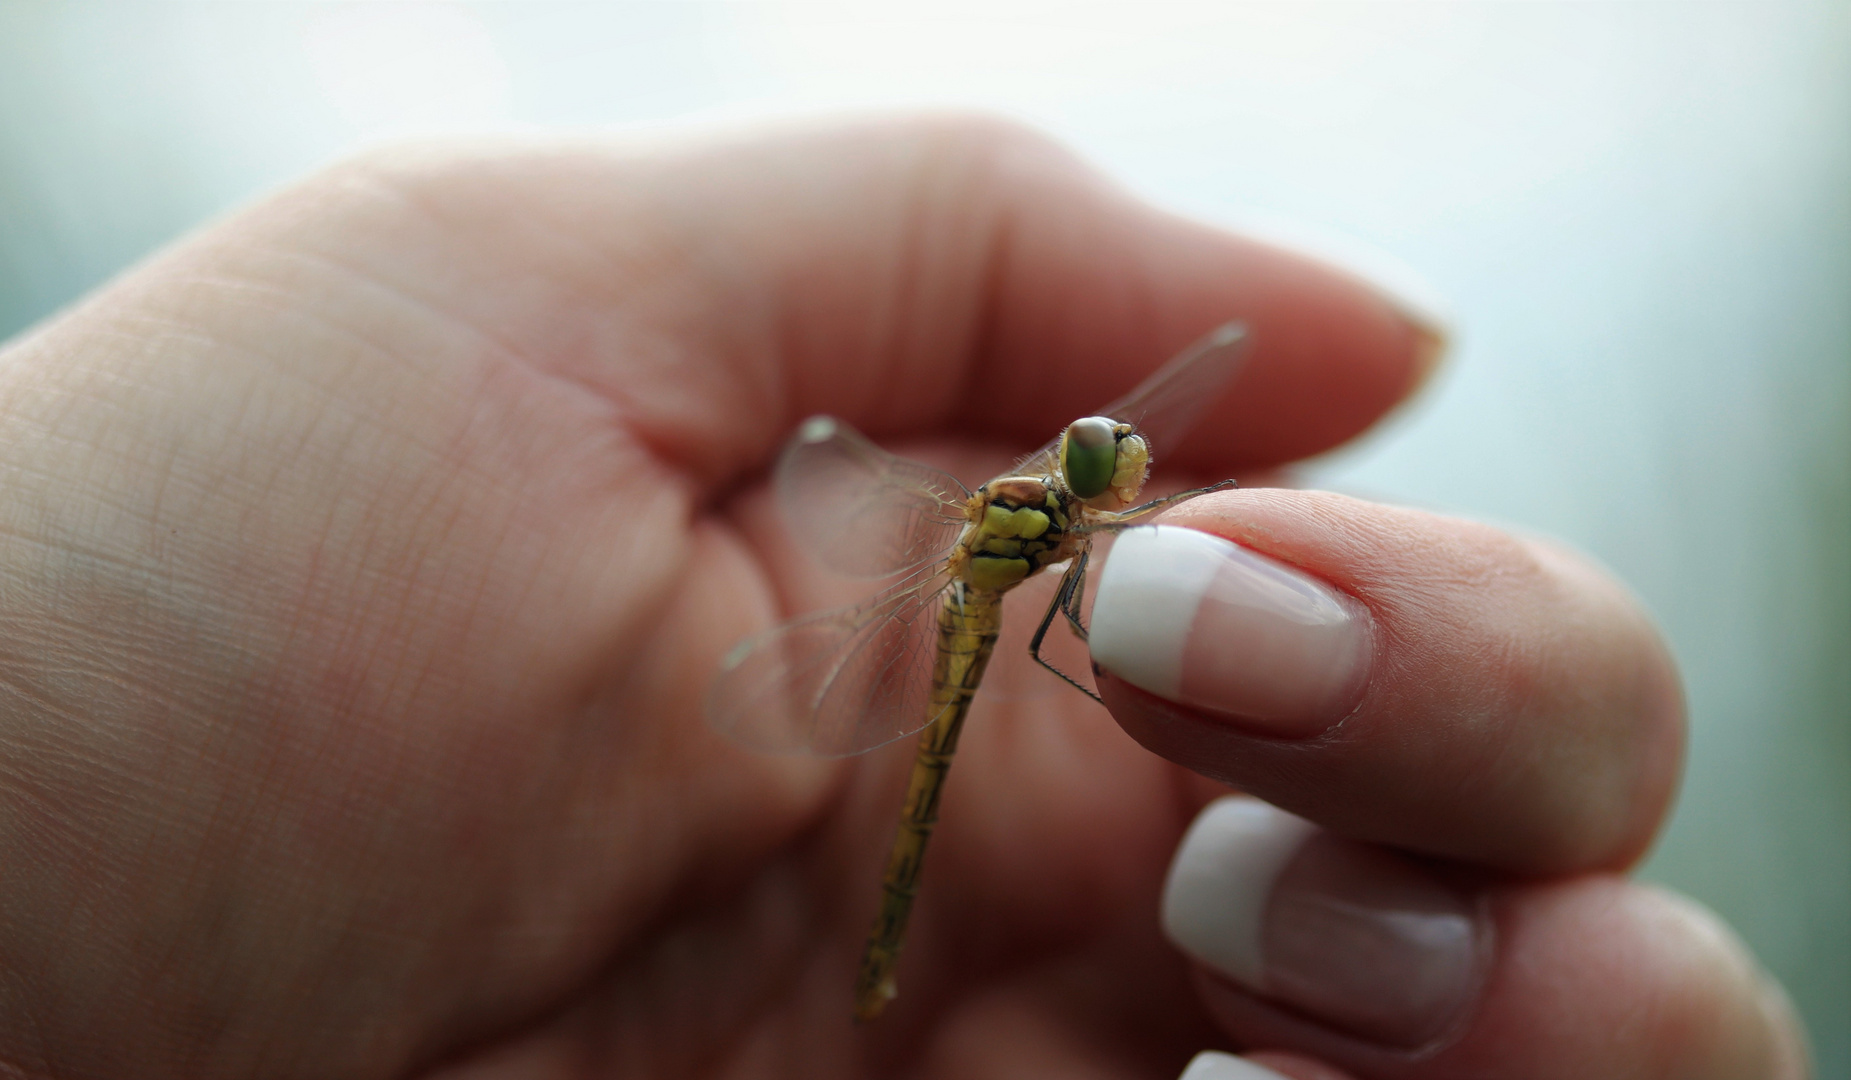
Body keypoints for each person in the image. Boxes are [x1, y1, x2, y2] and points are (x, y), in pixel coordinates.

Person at [0, 115, 1808, 1080]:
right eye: (1102, 471)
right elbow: (1058, 625)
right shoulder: (1018, 546)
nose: (1119, 470)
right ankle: (888, 930)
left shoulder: (1083, 499)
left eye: (1117, 467)